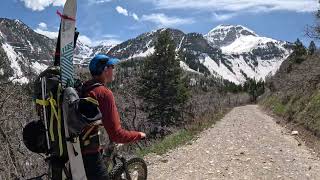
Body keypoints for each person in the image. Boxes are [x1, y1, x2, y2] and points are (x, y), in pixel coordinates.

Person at [81, 54, 146, 179]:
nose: (114, 69)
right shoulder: (104, 93)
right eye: (112, 66)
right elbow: (117, 135)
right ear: (105, 70)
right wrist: (138, 135)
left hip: (73, 151)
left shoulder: (86, 88)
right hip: (89, 154)